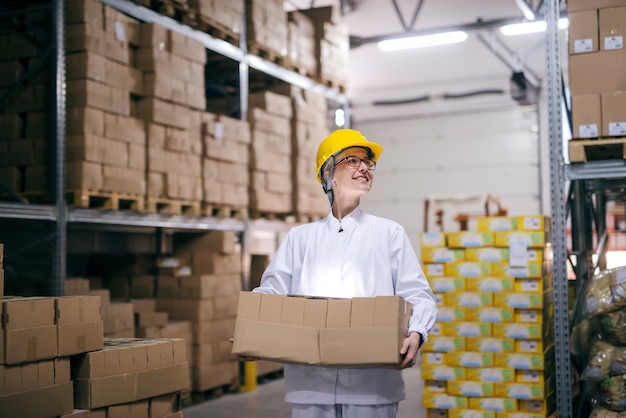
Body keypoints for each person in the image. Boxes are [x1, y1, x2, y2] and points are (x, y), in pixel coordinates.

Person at [250, 128, 438, 418]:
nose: (364, 167)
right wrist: (252, 325)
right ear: (329, 173)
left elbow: (418, 295)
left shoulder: (389, 233)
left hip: (372, 385)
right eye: (353, 160)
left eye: (368, 163)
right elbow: (271, 294)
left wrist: (417, 332)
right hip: (311, 386)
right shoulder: (300, 239)